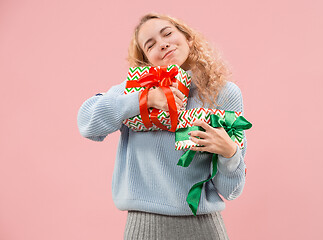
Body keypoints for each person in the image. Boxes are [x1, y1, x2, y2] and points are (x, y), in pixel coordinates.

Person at [77, 13, 248, 240]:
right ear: (147, 60)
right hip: (143, 229)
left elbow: (232, 191)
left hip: (205, 229)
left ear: (188, 38)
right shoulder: (134, 90)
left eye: (167, 33)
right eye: (150, 45)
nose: (163, 44)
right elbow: (87, 122)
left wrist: (230, 152)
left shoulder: (224, 94)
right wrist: (145, 99)